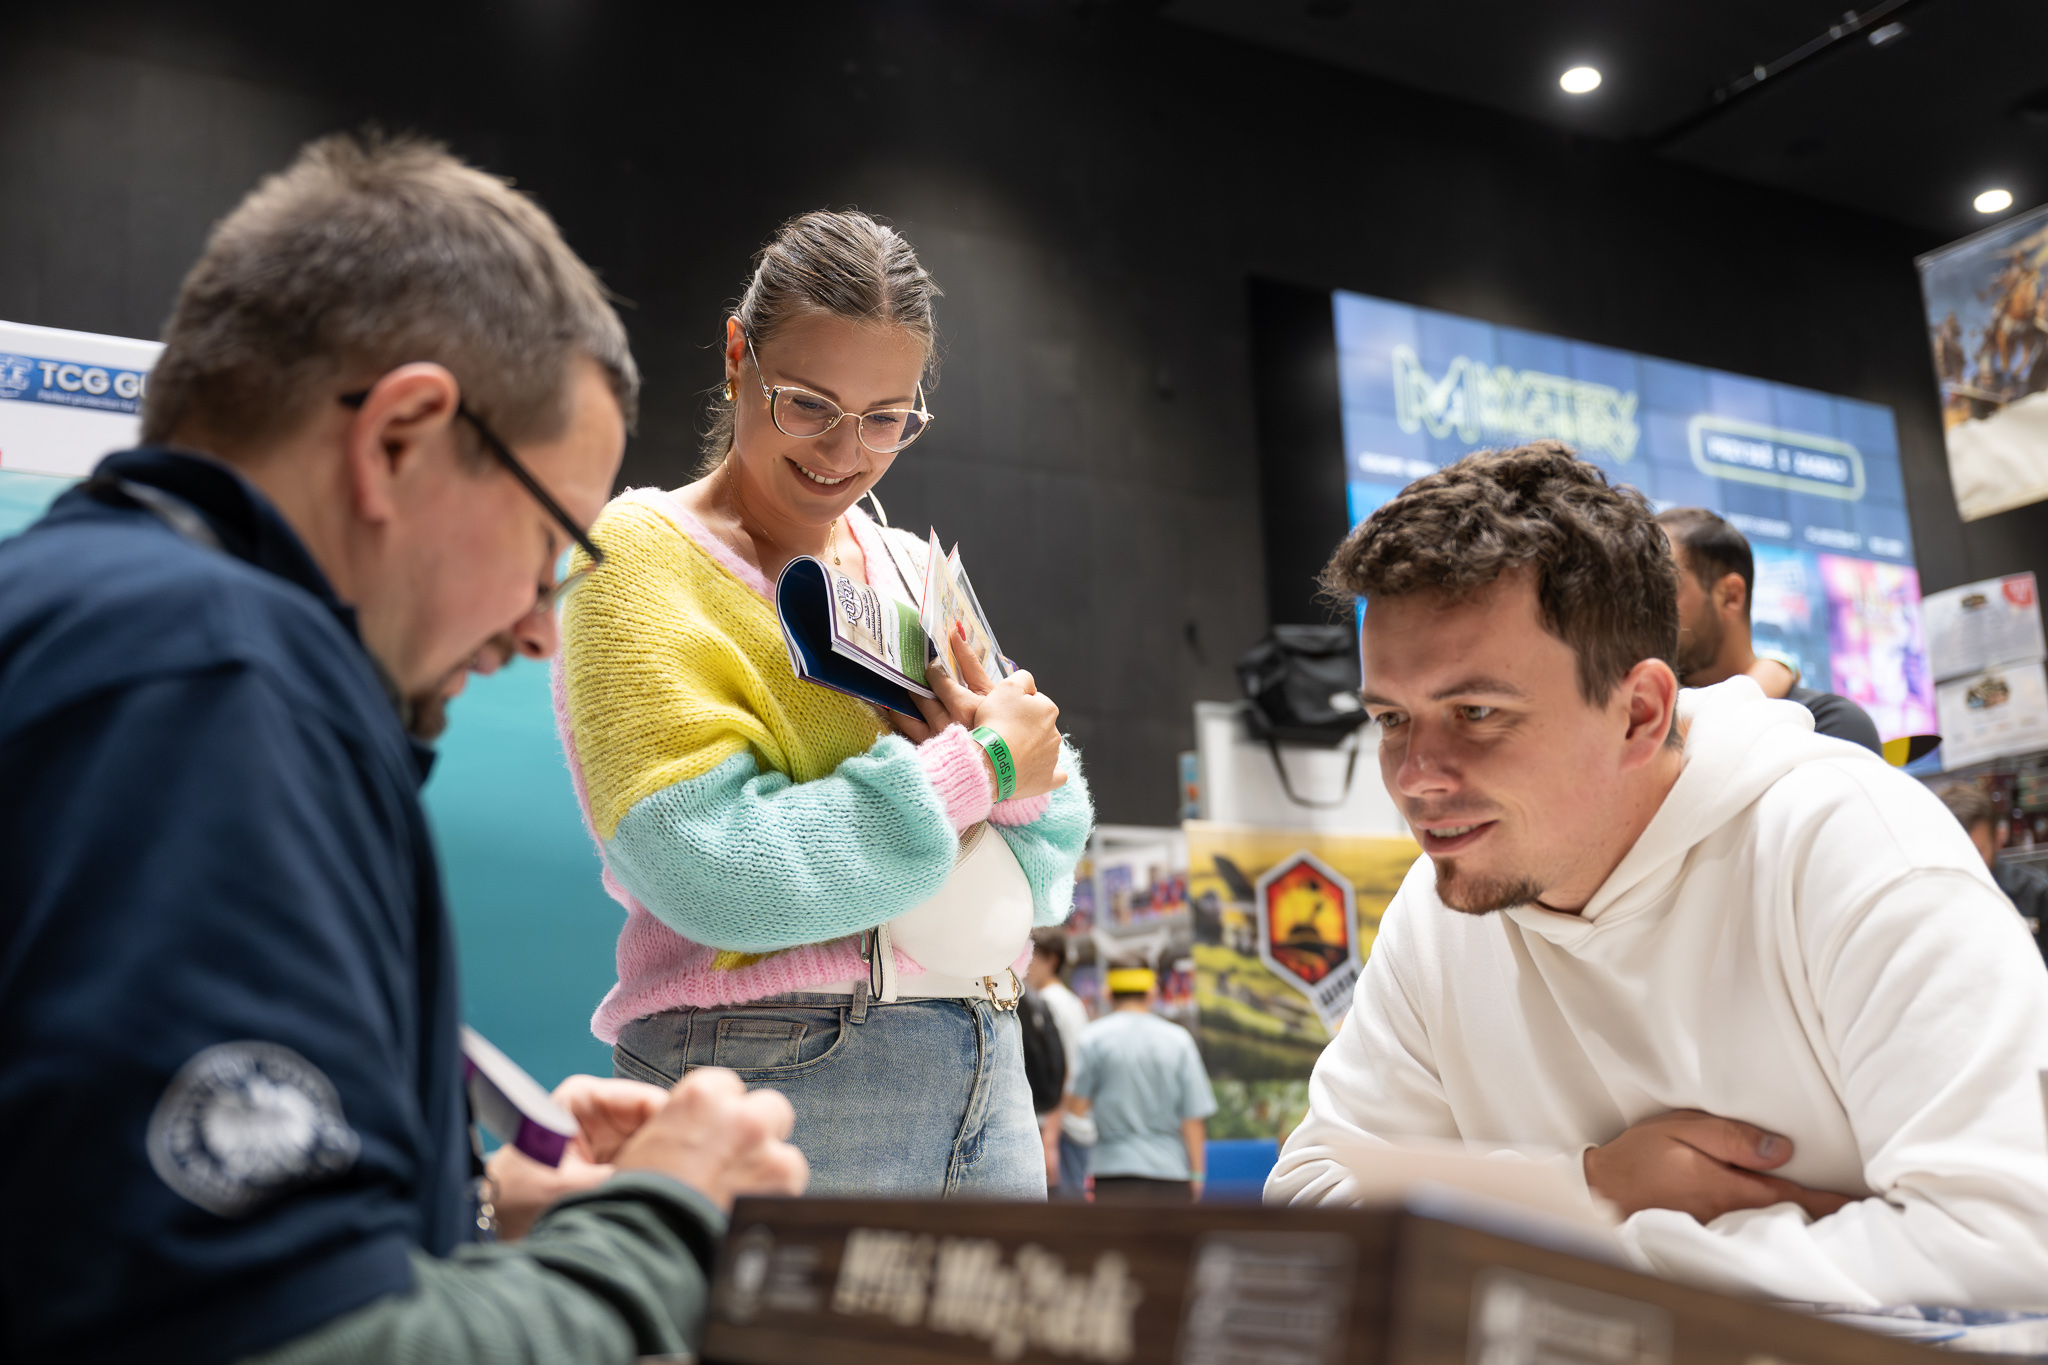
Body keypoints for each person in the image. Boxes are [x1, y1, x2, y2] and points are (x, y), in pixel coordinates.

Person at [0, 133, 808, 1365]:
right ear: (398, 439)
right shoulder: (209, 682)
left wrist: (460, 1204)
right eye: (548, 547)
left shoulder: (79, 622)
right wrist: (661, 1224)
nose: (538, 628)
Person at [1270, 441, 2048, 1307]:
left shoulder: (1853, 851)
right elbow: (1310, 1201)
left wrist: (1603, 1250)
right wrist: (1591, 1186)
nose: (1416, 775)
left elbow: (2013, 1246)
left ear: (1639, 711)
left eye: (1477, 711)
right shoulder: (1437, 909)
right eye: (1390, 718)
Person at [554, 210, 1094, 1198]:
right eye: (807, 405)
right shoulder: (635, 561)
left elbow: (1053, 850)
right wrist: (976, 769)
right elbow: (709, 868)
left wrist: (1010, 773)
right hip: (772, 1056)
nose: (846, 451)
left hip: (989, 1048)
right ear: (737, 357)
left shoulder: (913, 567)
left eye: (886, 418)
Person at [1655, 506, 1883, 755]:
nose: (1645, 610)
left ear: (1730, 596)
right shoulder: (1642, 721)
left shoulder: (1826, 724)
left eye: (1663, 589)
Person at [1066, 968, 1215, 1205]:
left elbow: (1076, 1108)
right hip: (1169, 1171)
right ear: (1152, 994)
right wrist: (1197, 1175)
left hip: (1111, 1171)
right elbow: (1193, 1117)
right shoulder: (1179, 1040)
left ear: (1107, 994)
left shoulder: (1092, 1038)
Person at [1025, 927, 1097, 1197]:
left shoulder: (1047, 1003)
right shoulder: (1070, 1000)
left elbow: (1064, 1071)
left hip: (1058, 1129)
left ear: (1051, 960)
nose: (1025, 964)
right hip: (1070, 1126)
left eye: (1031, 956)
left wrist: (1050, 1139)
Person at [1938, 782, 2048, 950]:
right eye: (1957, 853)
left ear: (1998, 839)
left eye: (1977, 853)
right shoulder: (1932, 901)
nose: (1967, 865)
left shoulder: (2036, 894)